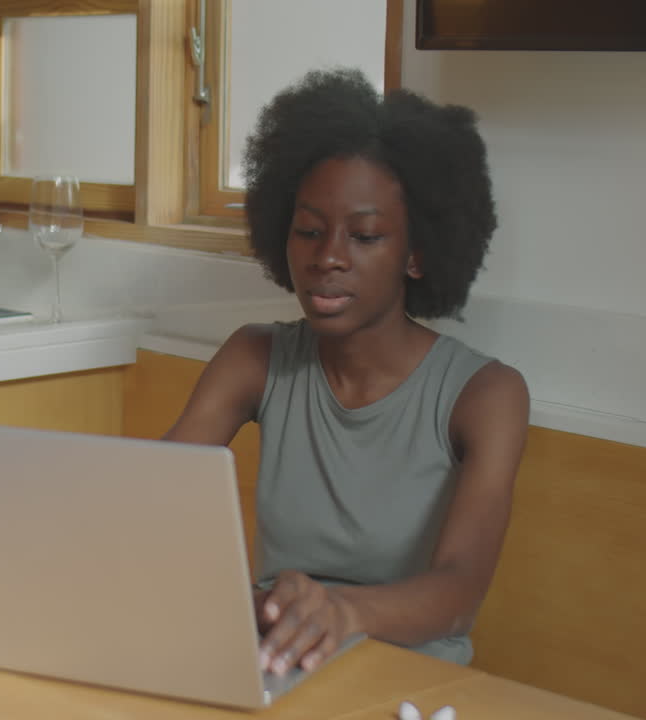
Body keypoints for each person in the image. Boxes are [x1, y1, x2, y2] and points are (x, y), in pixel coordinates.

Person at [163, 68, 530, 673]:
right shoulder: (254, 358)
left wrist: (340, 611)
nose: (327, 257)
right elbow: (152, 493)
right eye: (308, 230)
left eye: (364, 236)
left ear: (417, 254)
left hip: (409, 678)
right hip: (277, 663)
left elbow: (460, 592)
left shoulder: (484, 395)